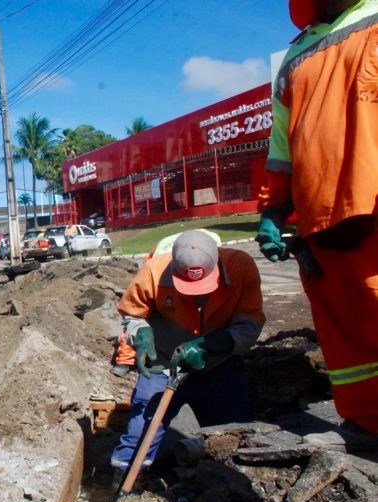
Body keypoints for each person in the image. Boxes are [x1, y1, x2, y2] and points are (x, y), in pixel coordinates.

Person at [257, 0, 378, 433]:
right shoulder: (294, 57)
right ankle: (367, 423)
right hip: (317, 218)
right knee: (344, 327)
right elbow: (282, 146)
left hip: (371, 202)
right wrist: (273, 208)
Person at [110, 230, 264, 477]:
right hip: (163, 363)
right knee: (141, 428)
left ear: (217, 263)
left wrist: (219, 342)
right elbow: (132, 313)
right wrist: (140, 334)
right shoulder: (154, 271)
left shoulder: (241, 266)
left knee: (232, 434)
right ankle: (125, 479)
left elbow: (251, 322)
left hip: (217, 364)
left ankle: (230, 483)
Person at [110, 229, 223, 378]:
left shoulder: (215, 248)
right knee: (141, 322)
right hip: (160, 273)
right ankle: (126, 360)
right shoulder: (154, 267)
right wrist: (139, 332)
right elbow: (134, 310)